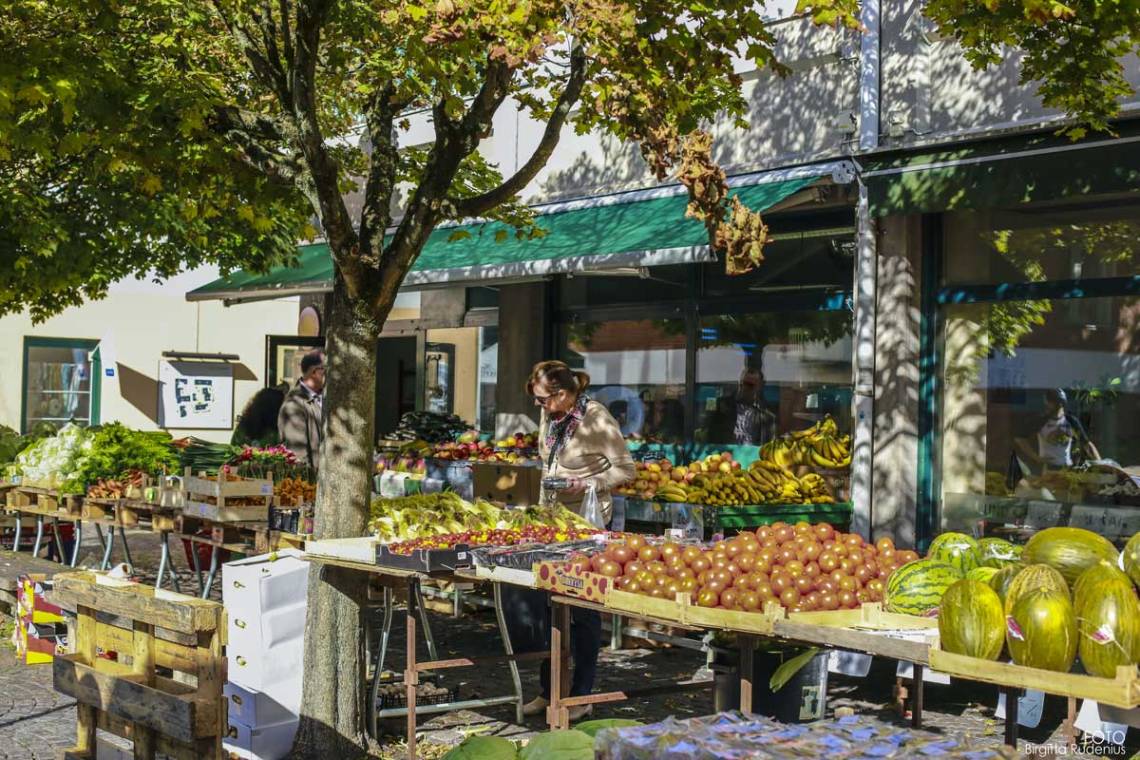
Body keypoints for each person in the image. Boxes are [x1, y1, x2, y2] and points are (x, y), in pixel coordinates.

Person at [505, 360, 635, 722]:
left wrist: (587, 484)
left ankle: (582, 694)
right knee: (549, 607)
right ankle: (550, 691)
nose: (539, 407)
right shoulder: (553, 417)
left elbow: (626, 469)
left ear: (562, 394)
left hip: (585, 525)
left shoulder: (596, 419)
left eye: (543, 400)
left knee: (582, 610)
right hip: (553, 524)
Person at [1014, 388, 1101, 474]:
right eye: (1051, 402)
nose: (1055, 406)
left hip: (1068, 467)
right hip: (1048, 469)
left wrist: (1101, 464)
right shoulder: (1041, 420)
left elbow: (1086, 444)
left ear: (1062, 403)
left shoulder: (1071, 420)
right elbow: (1019, 438)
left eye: (1058, 403)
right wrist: (1035, 457)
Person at [278, 350, 325, 470]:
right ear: (314, 371)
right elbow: (298, 456)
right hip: (314, 481)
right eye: (326, 369)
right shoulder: (294, 404)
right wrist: (310, 485)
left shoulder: (325, 396)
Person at [733, 366, 777, 446]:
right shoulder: (725, 407)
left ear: (759, 387)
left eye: (749, 385)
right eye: (742, 384)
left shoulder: (766, 415)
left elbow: (770, 445)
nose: (744, 388)